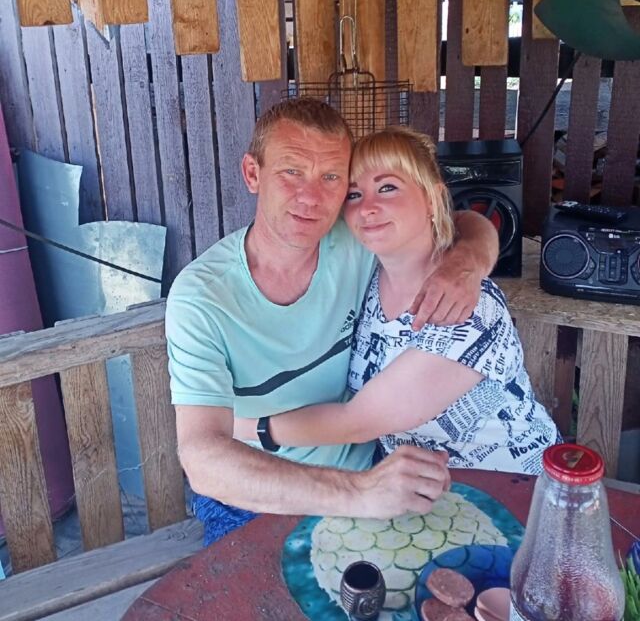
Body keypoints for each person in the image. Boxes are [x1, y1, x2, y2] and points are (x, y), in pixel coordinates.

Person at [166, 100, 499, 545]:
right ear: (252, 174)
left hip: (373, 479)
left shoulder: (360, 237)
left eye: (330, 177)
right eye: (292, 172)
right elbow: (203, 458)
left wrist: (467, 262)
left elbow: (460, 220)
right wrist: (358, 493)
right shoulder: (203, 297)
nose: (311, 197)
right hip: (257, 496)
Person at [236, 126, 559, 475]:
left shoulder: (464, 304)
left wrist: (238, 426)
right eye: (354, 195)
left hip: (514, 490)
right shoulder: (367, 275)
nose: (367, 208)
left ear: (432, 198)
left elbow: (358, 422)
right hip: (419, 489)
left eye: (387, 187)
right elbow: (468, 221)